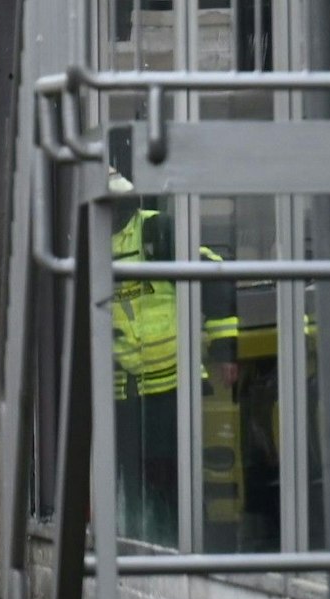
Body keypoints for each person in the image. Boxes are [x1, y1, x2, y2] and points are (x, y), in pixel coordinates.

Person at [107, 168, 239, 546]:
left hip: (173, 386)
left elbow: (215, 275)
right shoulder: (86, 245)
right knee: (131, 487)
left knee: (174, 481)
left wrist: (225, 349)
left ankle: (186, 553)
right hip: (122, 394)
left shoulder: (156, 233)